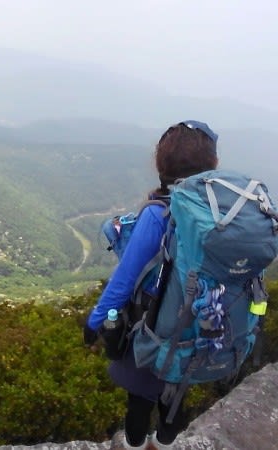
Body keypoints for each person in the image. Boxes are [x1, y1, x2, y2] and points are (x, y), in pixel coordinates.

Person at [84, 120, 219, 450]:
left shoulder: (158, 213)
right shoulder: (218, 212)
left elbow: (125, 278)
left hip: (154, 326)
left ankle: (135, 445)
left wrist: (95, 321)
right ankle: (165, 443)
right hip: (199, 328)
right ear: (213, 165)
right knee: (174, 397)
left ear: (160, 164)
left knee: (140, 399)